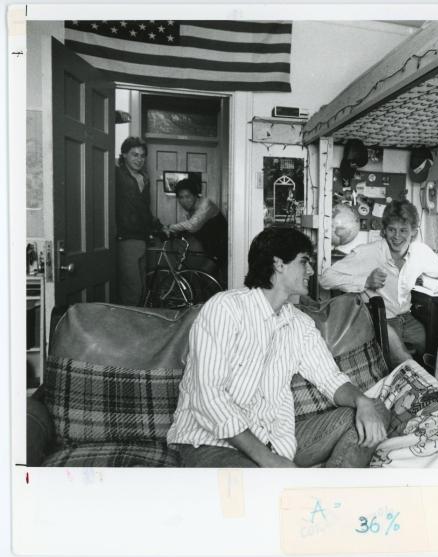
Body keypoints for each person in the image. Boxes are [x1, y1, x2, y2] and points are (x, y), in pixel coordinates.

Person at [167, 227, 389, 467]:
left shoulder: (300, 324)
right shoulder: (225, 308)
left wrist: (362, 402)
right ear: (279, 264)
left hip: (276, 442)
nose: (311, 270)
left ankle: (328, 491)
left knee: (376, 409)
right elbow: (209, 397)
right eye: (304, 262)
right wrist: (269, 461)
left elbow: (331, 380)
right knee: (259, 493)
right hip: (212, 442)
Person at [319, 199, 438, 368]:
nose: (397, 236)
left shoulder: (420, 252)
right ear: (384, 230)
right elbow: (325, 278)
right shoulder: (368, 252)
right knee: (402, 360)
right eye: (392, 229)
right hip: (379, 317)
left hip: (406, 318)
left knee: (429, 346)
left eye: (403, 230)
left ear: (413, 231)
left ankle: (422, 383)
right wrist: (365, 281)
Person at [115, 137, 163, 306]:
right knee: (132, 289)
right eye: (134, 155)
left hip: (141, 240)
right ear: (124, 155)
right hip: (125, 240)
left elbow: (144, 210)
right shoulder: (117, 174)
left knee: (142, 288)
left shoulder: (144, 178)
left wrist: (160, 227)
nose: (139, 159)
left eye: (142, 156)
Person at [167, 179, 228, 281]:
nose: (184, 201)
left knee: (201, 278)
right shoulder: (191, 211)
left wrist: (169, 227)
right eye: (181, 197)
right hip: (208, 249)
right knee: (195, 277)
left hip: (221, 250)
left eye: (188, 196)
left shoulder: (206, 204)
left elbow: (192, 226)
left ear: (195, 195)